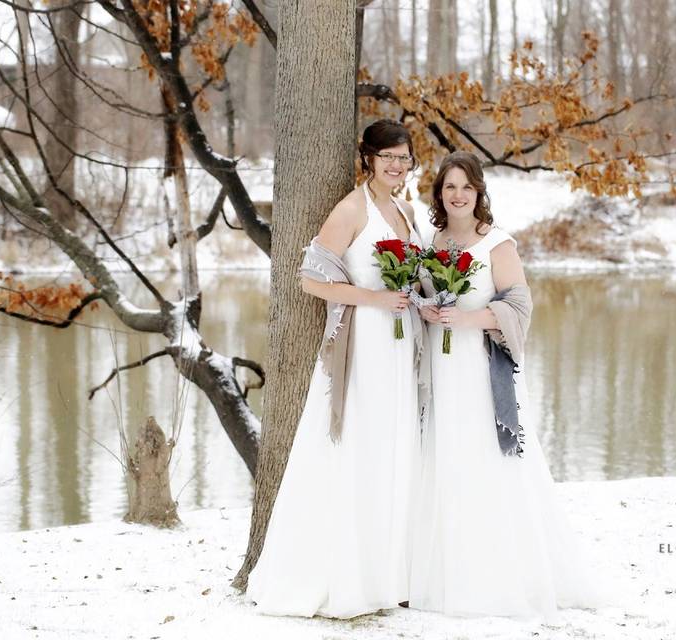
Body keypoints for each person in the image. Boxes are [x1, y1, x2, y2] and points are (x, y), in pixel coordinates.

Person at [410, 151, 610, 618]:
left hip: (480, 369)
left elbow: (519, 308)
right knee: (445, 456)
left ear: (479, 192)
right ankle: (439, 574)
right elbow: (422, 297)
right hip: (441, 369)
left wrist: (467, 317)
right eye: (449, 187)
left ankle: (497, 577)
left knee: (485, 459)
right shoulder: (430, 240)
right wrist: (425, 309)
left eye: (467, 187)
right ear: (439, 193)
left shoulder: (497, 244)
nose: (458, 195)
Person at [246, 119, 426, 619]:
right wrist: (373, 297)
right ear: (367, 158)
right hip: (364, 343)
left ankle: (389, 575)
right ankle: (342, 575)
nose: (396, 165)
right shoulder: (351, 210)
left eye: (404, 157)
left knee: (395, 448)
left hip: (401, 342)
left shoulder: (408, 212)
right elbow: (311, 278)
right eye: (387, 156)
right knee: (358, 448)